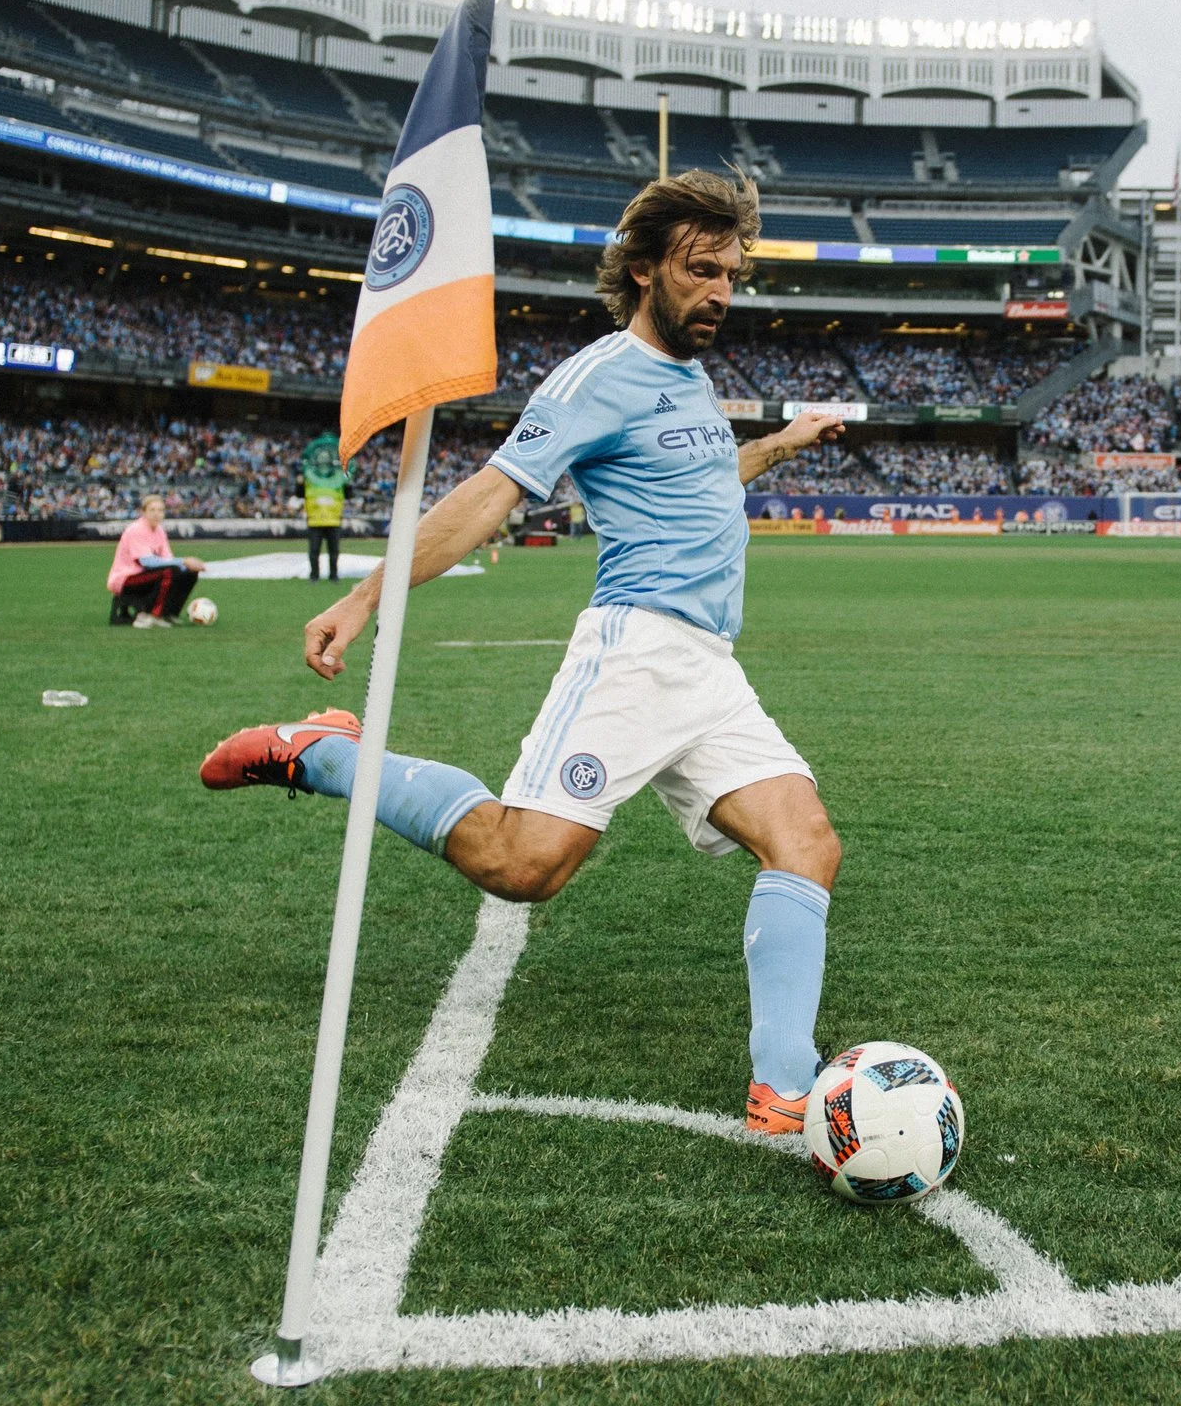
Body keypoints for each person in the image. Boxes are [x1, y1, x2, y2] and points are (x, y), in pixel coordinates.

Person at [198, 169, 849, 1139]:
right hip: (636, 650)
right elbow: (494, 492)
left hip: (708, 667)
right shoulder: (598, 375)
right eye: (700, 269)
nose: (720, 291)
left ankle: (784, 1089)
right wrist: (369, 594)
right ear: (642, 271)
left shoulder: (689, 378)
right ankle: (324, 751)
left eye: (731, 272)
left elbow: (706, 474)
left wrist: (780, 445)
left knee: (805, 842)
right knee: (522, 863)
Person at [108, 494, 206, 626]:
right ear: (144, 512)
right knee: (170, 572)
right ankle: (149, 615)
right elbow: (147, 562)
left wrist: (190, 566)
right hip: (125, 579)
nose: (156, 514)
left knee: (189, 573)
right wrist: (184, 561)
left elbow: (168, 559)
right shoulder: (136, 530)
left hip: (144, 576)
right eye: (152, 510)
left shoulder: (159, 531)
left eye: (160, 510)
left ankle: (169, 613)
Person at [300, 434, 348, 582]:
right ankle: (314, 575)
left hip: (333, 521)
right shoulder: (309, 478)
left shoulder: (339, 479)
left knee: (334, 552)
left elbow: (348, 492)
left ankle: (333, 575)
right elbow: (298, 492)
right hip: (315, 521)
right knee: (314, 551)